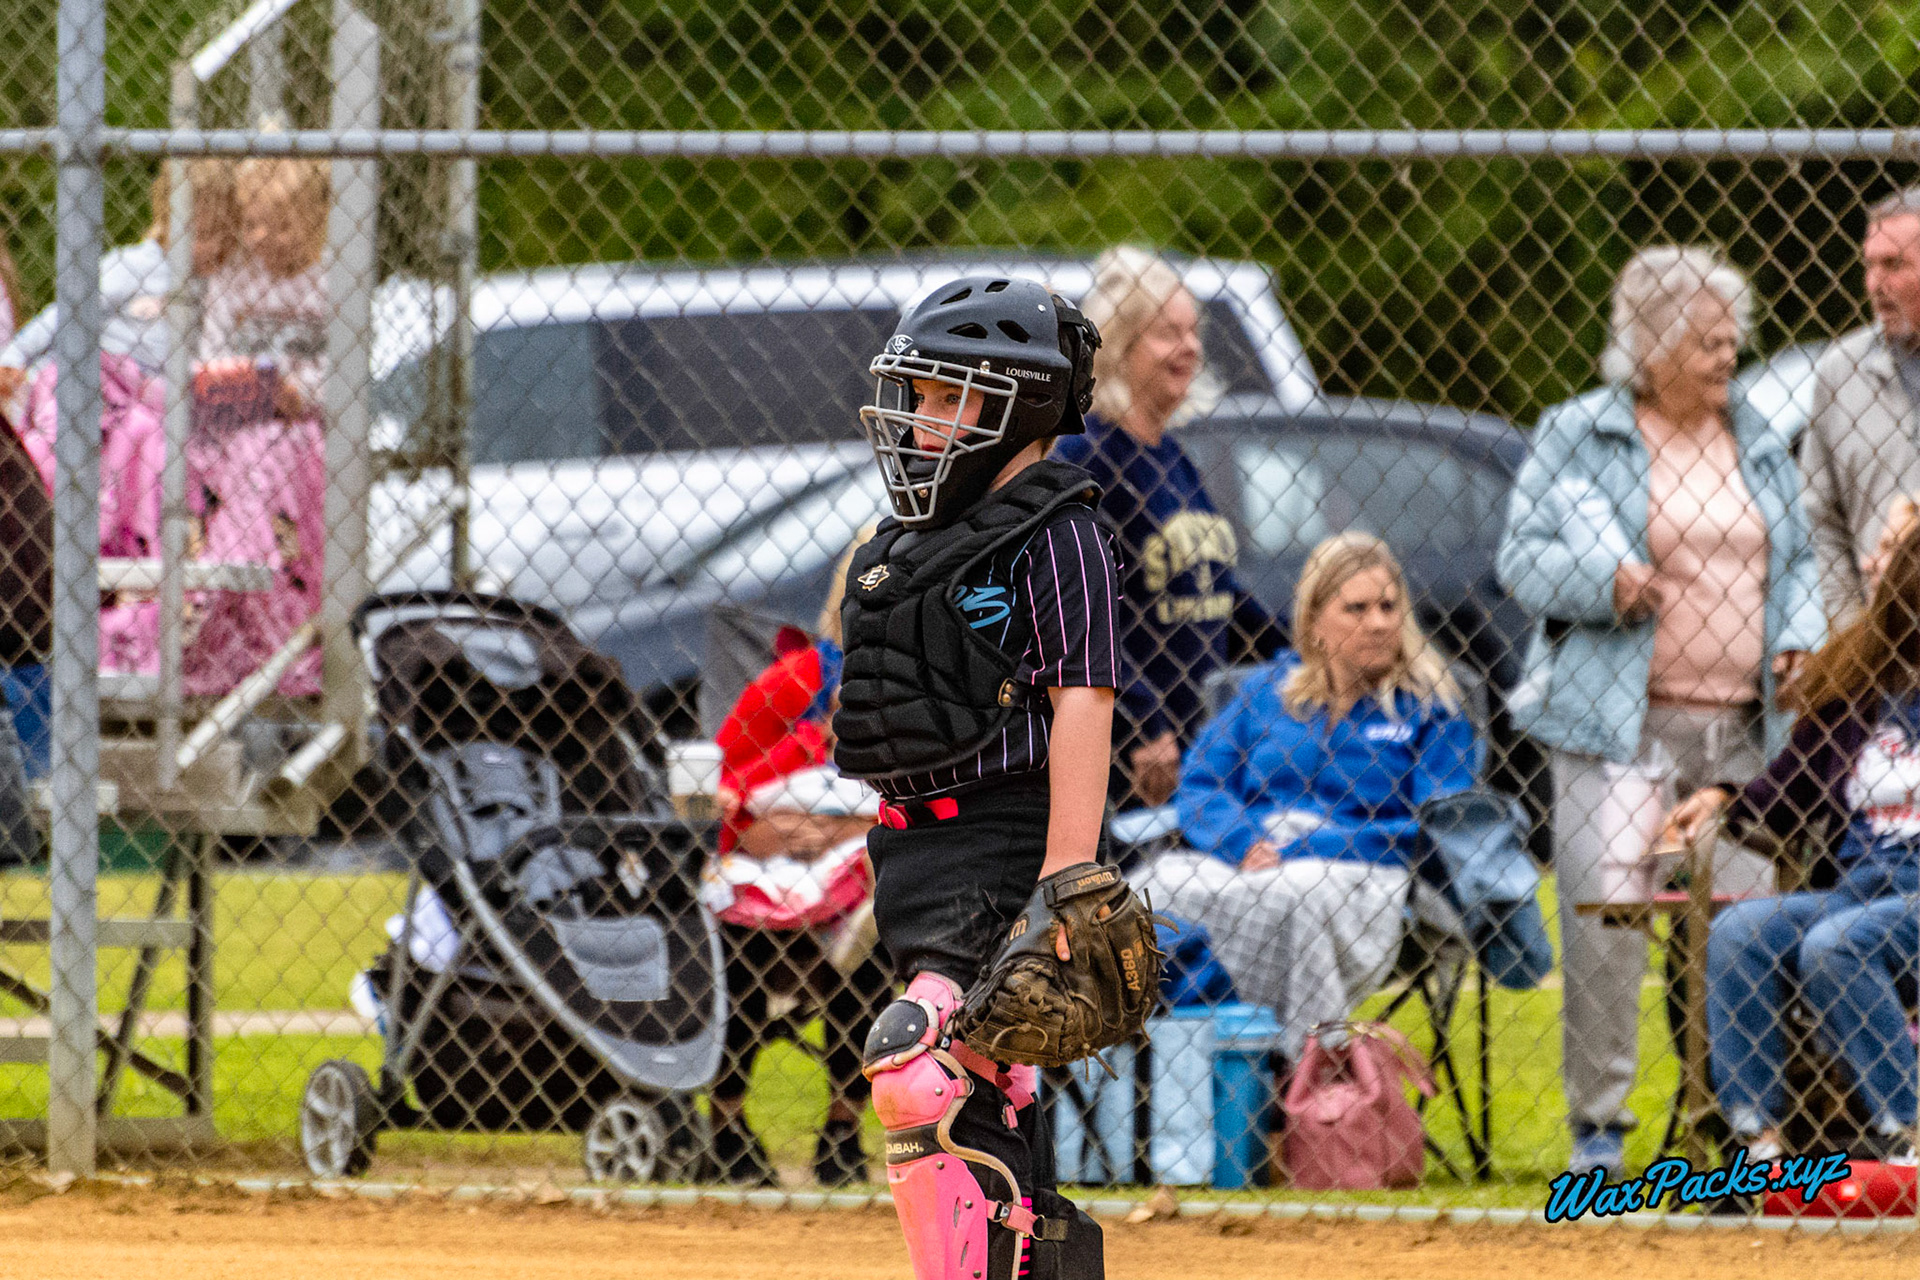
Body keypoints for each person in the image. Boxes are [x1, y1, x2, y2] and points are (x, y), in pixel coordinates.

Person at [1496, 246, 1827, 1177]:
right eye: (1708, 342)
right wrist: (1604, 582)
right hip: (1616, 727)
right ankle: (1599, 1132)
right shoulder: (1579, 432)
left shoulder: (1756, 432)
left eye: (1733, 339)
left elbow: (1796, 559)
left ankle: (1736, 1119)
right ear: (1649, 347)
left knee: (1744, 926)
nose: (1730, 356)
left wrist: (1798, 633)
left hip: (1744, 732)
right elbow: (1520, 559)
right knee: (1606, 927)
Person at [833, 275, 1120, 1278]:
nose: (925, 421)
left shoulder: (1060, 530)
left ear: (1024, 408)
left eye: (955, 398)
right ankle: (1033, 1249)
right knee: (985, 1073)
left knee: (920, 1063)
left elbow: (1085, 698)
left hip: (1009, 834)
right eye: (921, 397)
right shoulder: (911, 539)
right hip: (914, 849)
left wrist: (1067, 879)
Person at [1132, 532, 1476, 1060]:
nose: (1380, 622)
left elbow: (1438, 823)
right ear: (1315, 621)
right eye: (1357, 608)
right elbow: (1202, 784)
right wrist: (1242, 842)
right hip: (1249, 855)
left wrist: (1300, 853)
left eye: (1389, 606)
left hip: (1364, 867)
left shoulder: (1430, 707)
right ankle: (1179, 1060)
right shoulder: (1267, 693)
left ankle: (1294, 1072)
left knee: (1295, 899)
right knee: (1145, 888)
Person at [1661, 522, 1920, 1164]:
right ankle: (1760, 1142)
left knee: (1837, 945)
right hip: (1863, 887)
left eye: (1895, 555)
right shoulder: (1860, 677)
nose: (1877, 565)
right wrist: (1726, 797)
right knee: (1740, 933)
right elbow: (1789, 786)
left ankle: (1907, 1130)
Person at [1052, 247, 1283, 806]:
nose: (1190, 348)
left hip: (1196, 735)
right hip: (1128, 755)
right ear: (1119, 344)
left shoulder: (1171, 455)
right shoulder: (1089, 456)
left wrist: (1298, 653)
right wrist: (1144, 722)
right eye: (1167, 333)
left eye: (1193, 331)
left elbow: (1219, 590)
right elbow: (1078, 609)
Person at [706, 532, 890, 1189]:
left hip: (855, 878)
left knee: (871, 940)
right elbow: (724, 790)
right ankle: (724, 1123)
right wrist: (810, 740)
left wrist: (838, 831)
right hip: (766, 879)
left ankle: (842, 1126)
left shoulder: (917, 690)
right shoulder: (801, 681)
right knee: (745, 952)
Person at [185, 156, 331, 697]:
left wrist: (300, 395)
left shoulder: (336, 276)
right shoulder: (234, 276)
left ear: (316, 220)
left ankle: (244, 569)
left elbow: (344, 380)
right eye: (251, 224)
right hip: (239, 419)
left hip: (303, 431)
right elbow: (209, 361)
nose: (260, 237)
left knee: (274, 447)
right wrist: (251, 389)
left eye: (280, 225)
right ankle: (221, 580)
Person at [1803, 186, 1920, 622]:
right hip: (1880, 652)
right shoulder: (1841, 372)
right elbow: (1820, 521)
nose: (1875, 284)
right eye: (1869, 265)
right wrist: (1850, 633)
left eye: (1894, 265)